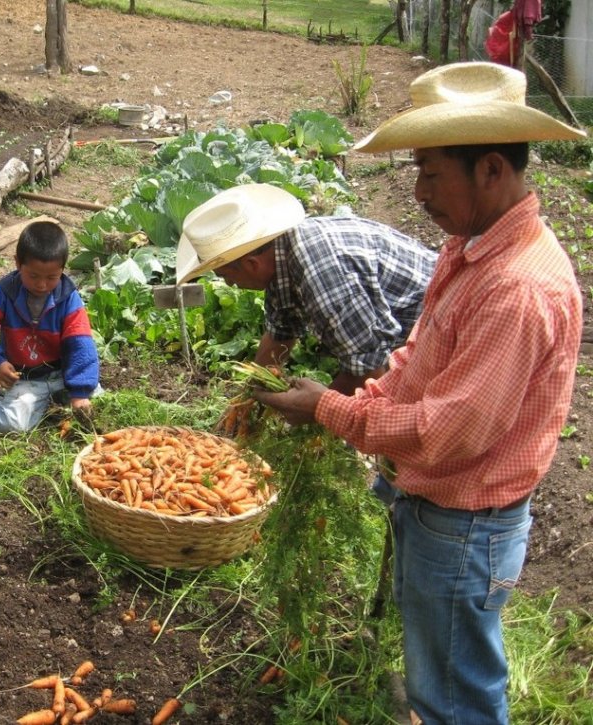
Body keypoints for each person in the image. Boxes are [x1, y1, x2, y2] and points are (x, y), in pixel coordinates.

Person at [253, 62, 586, 724]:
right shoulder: (469, 249)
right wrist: (364, 402)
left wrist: (327, 408)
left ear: (490, 169)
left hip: (466, 521)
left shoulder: (517, 288)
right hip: (434, 502)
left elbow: (448, 430)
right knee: (439, 664)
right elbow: (416, 355)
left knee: (459, 692)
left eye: (431, 173)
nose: (418, 191)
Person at [176, 183, 437, 394]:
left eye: (225, 276)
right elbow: (280, 333)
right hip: (413, 333)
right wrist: (249, 396)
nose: (229, 284)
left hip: (436, 329)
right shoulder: (279, 255)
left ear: (252, 264)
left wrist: (315, 412)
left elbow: (368, 370)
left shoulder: (319, 272)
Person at [0, 220, 101, 436]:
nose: (42, 284)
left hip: (62, 375)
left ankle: (52, 405)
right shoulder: (5, 293)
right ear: (18, 264)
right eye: (34, 276)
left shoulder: (68, 298)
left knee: (99, 402)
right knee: (13, 423)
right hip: (26, 379)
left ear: (62, 270)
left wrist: (80, 393)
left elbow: (80, 345)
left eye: (51, 277)